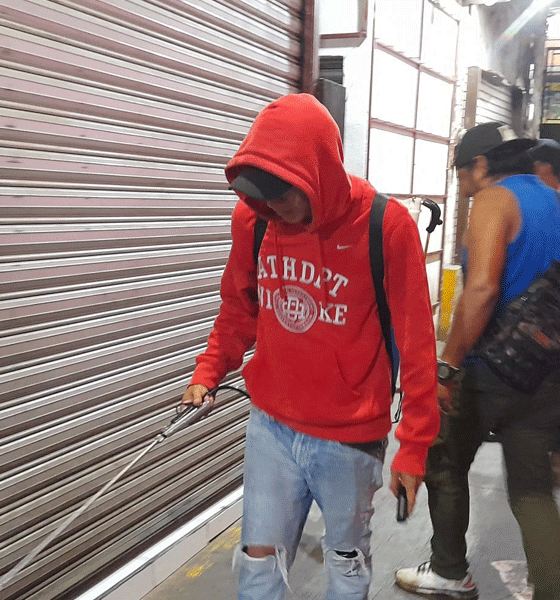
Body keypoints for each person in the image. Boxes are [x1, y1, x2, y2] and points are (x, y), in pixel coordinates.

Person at [181, 93, 439, 600]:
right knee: (258, 564)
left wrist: (414, 446)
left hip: (349, 438)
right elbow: (238, 309)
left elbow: (417, 344)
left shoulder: (385, 226)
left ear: (318, 172)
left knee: (346, 566)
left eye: (284, 196)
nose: (274, 208)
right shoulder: (255, 220)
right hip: (271, 428)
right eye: (263, 199)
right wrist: (208, 371)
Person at [395, 122, 560, 600]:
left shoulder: (493, 200)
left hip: (492, 370)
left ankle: (449, 571)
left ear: (480, 165)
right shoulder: (554, 198)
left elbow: (482, 288)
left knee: (444, 460)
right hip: (545, 373)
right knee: (531, 489)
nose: (461, 181)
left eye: (460, 171)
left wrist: (448, 366)